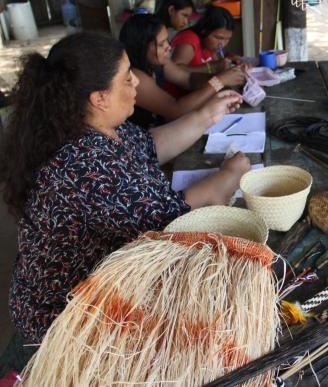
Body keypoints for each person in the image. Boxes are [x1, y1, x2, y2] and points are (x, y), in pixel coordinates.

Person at [0, 32, 250, 357]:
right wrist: (227, 177)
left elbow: (149, 145)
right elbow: (167, 221)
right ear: (99, 97)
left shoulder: (91, 125)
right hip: (67, 319)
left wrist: (208, 115)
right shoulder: (84, 164)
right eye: (126, 78)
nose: (136, 85)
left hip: (99, 286)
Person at [119, 14, 244, 127]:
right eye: (161, 44)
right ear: (142, 47)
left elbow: (188, 79)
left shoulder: (159, 61)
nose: (169, 47)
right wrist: (220, 81)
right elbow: (176, 110)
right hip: (143, 140)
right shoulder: (134, 77)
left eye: (167, 40)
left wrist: (225, 76)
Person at [171, 4, 244, 75]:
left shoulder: (210, 45)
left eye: (227, 39)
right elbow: (174, 70)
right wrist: (212, 67)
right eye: (219, 38)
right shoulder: (189, 40)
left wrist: (229, 59)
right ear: (204, 31)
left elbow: (214, 62)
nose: (223, 44)